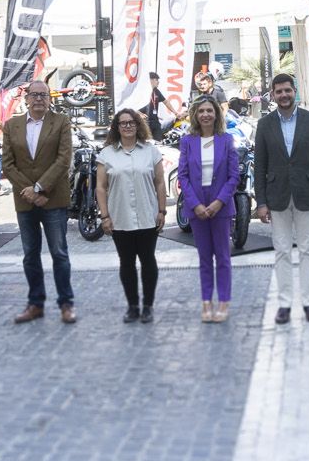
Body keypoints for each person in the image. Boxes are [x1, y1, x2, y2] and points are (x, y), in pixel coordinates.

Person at [252, 73, 309, 325]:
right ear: (272, 95)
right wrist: (261, 202)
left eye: (287, 90)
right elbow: (260, 165)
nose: (283, 95)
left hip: (307, 194)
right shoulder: (264, 125)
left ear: (295, 91)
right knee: (282, 251)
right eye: (279, 92)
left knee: (307, 250)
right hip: (277, 196)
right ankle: (284, 303)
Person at [3, 79, 76, 326]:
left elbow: (64, 160)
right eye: (34, 95)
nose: (38, 99)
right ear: (26, 98)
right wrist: (29, 192)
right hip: (25, 201)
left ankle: (66, 303)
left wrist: (38, 188)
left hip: (53, 198)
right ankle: (35, 303)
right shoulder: (11, 125)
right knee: (30, 254)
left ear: (49, 99)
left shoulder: (61, 122)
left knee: (59, 253)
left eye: (43, 95)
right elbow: (8, 164)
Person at [98, 107, 167, 323]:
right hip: (120, 218)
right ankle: (132, 306)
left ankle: (147, 306)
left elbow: (160, 182)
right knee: (126, 262)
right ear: (116, 127)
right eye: (123, 123)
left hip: (148, 215)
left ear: (138, 125)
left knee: (148, 261)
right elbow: (100, 187)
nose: (127, 126)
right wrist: (105, 216)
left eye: (131, 122)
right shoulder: (107, 154)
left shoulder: (150, 151)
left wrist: (162, 210)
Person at [178, 96, 239, 323]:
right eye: (201, 111)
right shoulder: (187, 141)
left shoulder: (226, 140)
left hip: (220, 207)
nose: (205, 114)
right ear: (196, 115)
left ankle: (223, 301)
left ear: (216, 114)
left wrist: (218, 202)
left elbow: (234, 176)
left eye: (209, 111)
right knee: (204, 258)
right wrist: (196, 205)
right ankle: (206, 302)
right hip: (197, 208)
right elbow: (183, 176)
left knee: (223, 257)